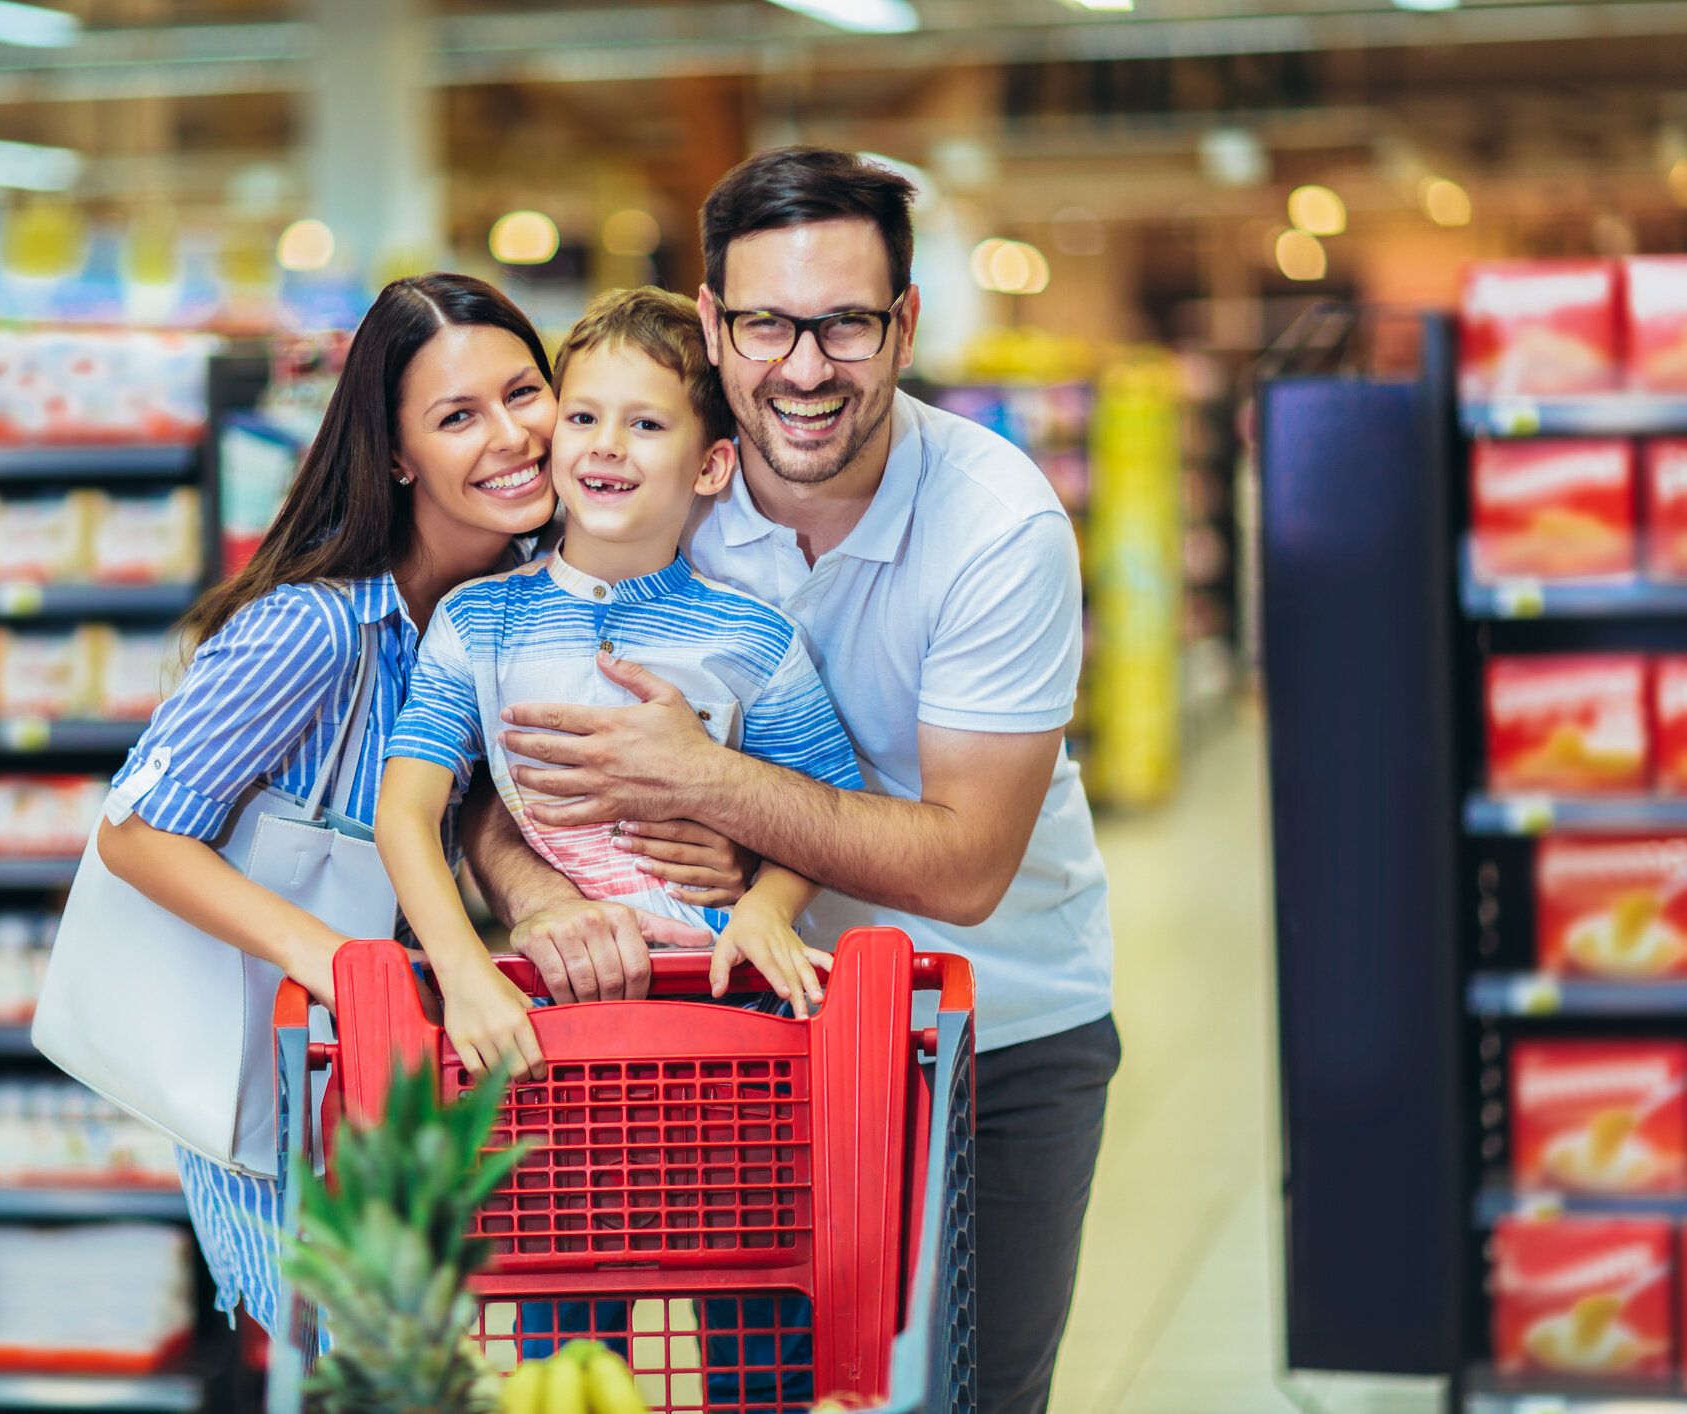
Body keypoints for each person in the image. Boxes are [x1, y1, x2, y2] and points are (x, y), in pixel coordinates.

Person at [464, 148, 1119, 1414]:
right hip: (736, 1033)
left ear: (905, 325)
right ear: (712, 325)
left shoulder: (998, 527)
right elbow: (503, 770)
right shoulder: (646, 490)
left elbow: (968, 864)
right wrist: (536, 897)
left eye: (845, 325)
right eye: (766, 323)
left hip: (995, 1036)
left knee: (965, 1393)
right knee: (752, 1388)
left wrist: (710, 785)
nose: (805, 367)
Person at [85, 272, 756, 1374]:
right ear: (396, 455)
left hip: (422, 1092)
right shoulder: (313, 629)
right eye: (457, 417)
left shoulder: (528, 608)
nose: (512, 436)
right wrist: (346, 961)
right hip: (288, 1099)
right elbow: (135, 829)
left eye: (524, 392)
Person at [375, 286, 866, 1082]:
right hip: (548, 1026)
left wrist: (766, 910)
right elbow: (406, 811)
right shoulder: (475, 621)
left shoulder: (756, 637)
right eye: (582, 417)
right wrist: (463, 972)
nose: (606, 445)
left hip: (734, 1025)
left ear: (711, 465)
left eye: (644, 424)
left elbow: (821, 810)